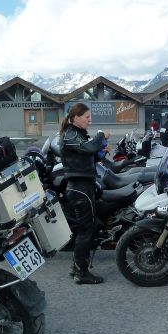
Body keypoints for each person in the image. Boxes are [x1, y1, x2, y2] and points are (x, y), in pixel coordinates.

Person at [59, 103, 109, 284]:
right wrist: (101, 135)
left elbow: (89, 155)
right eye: (87, 117)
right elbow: (88, 149)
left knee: (88, 228)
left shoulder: (77, 134)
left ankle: (77, 267)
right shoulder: (70, 135)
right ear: (76, 118)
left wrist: (101, 153)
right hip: (79, 188)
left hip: (84, 186)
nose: (90, 120)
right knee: (86, 230)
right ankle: (81, 273)